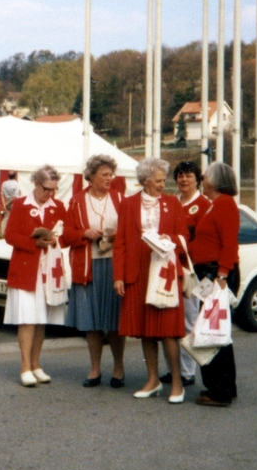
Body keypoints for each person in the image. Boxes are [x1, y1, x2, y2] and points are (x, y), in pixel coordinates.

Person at [113, 157, 191, 404]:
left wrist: (171, 238)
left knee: (169, 331)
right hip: (138, 274)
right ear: (145, 181)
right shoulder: (128, 204)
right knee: (145, 331)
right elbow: (121, 243)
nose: (163, 184)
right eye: (158, 180)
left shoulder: (172, 203)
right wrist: (118, 276)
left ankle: (177, 383)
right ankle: (153, 379)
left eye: (163, 180)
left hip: (165, 273)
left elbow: (185, 236)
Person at [4, 164, 70, 387]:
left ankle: (36, 364)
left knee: (41, 319)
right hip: (26, 269)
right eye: (46, 189)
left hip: (49, 270)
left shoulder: (59, 206)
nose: (50, 194)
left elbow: (66, 235)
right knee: (28, 319)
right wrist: (34, 242)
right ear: (35, 183)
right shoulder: (21, 205)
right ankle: (24, 366)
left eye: (54, 189)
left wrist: (55, 239)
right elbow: (10, 235)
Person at [65, 154, 127, 389]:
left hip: (114, 265)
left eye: (111, 174)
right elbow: (65, 236)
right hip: (88, 266)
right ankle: (95, 368)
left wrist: (115, 236)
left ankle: (119, 367)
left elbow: (131, 232)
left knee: (114, 320)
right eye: (104, 174)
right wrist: (83, 234)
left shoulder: (120, 199)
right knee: (92, 321)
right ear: (91, 176)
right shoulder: (76, 201)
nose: (109, 178)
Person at [189, 162, 242, 408]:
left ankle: (220, 389)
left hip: (216, 274)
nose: (202, 179)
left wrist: (221, 275)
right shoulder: (215, 205)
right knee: (213, 330)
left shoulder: (224, 204)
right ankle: (222, 386)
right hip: (209, 273)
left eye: (206, 176)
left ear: (216, 180)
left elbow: (230, 244)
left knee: (213, 331)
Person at [166, 160, 212, 388]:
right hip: (171, 271)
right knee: (171, 322)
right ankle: (174, 369)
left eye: (189, 175)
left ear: (198, 179)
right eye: (180, 175)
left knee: (189, 321)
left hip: (192, 273)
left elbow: (203, 240)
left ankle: (188, 371)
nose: (184, 180)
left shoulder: (203, 205)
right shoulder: (173, 203)